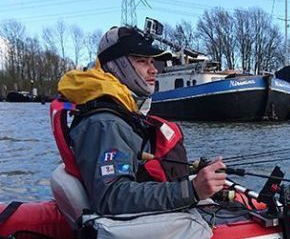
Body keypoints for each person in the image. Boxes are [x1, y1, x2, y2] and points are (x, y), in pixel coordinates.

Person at [55, 26, 227, 215]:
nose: (154, 70)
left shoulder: (120, 111)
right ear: (116, 65)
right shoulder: (105, 123)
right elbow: (112, 197)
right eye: (142, 61)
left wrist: (199, 178)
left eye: (152, 61)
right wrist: (192, 190)